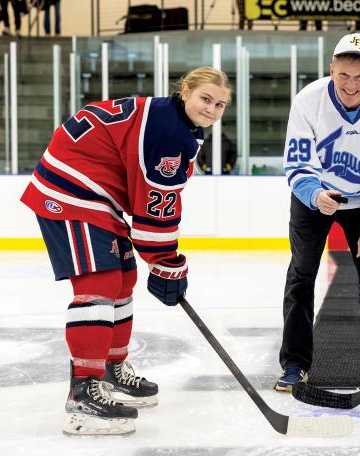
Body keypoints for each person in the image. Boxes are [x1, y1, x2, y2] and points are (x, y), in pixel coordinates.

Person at [19, 67, 231, 436]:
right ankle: (83, 390)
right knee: (99, 284)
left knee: (124, 278)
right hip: (71, 192)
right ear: (185, 92)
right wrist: (168, 263)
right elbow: (153, 209)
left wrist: (164, 262)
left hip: (93, 192)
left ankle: (109, 371)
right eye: (206, 99)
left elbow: (152, 200)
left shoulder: (172, 121)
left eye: (220, 104)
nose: (212, 109)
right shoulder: (168, 131)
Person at [276, 33, 360, 393]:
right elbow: (297, 165)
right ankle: (294, 364)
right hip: (315, 196)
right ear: (331, 69)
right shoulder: (308, 101)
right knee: (302, 275)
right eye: (344, 75)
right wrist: (315, 194)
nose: (351, 85)